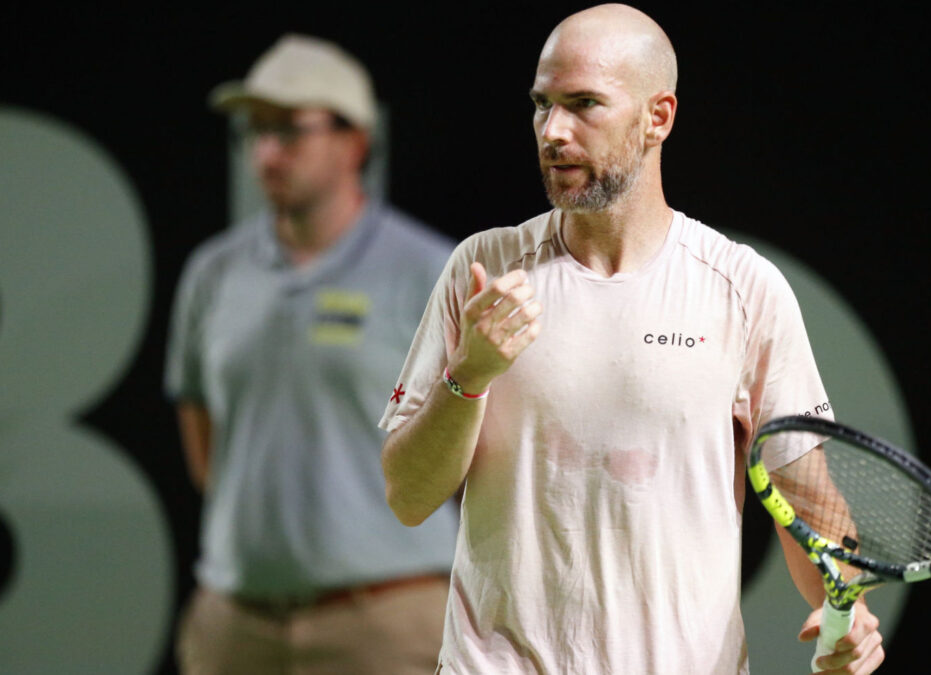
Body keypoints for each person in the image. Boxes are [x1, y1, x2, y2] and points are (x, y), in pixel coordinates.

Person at [378, 4, 885, 674]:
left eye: (584, 104)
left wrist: (849, 613)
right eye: (541, 105)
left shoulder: (742, 288)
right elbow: (408, 497)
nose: (553, 131)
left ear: (658, 117)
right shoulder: (485, 269)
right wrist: (469, 373)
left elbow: (812, 510)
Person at [164, 33, 458, 674]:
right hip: (235, 622)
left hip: (387, 623)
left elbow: (467, 445)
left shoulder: (430, 273)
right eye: (256, 131)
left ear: (354, 140)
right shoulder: (212, 274)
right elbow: (206, 444)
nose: (267, 153)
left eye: (290, 130)